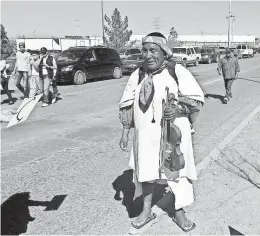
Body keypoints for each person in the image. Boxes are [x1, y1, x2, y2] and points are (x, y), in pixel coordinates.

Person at [118, 32, 204, 232]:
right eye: (145, 51)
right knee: (146, 172)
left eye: (153, 51)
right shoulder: (138, 74)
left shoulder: (177, 71)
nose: (148, 55)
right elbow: (127, 104)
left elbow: (196, 100)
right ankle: (146, 211)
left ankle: (179, 212)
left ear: (164, 53)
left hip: (172, 136)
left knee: (176, 174)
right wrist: (125, 132)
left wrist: (178, 109)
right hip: (145, 135)